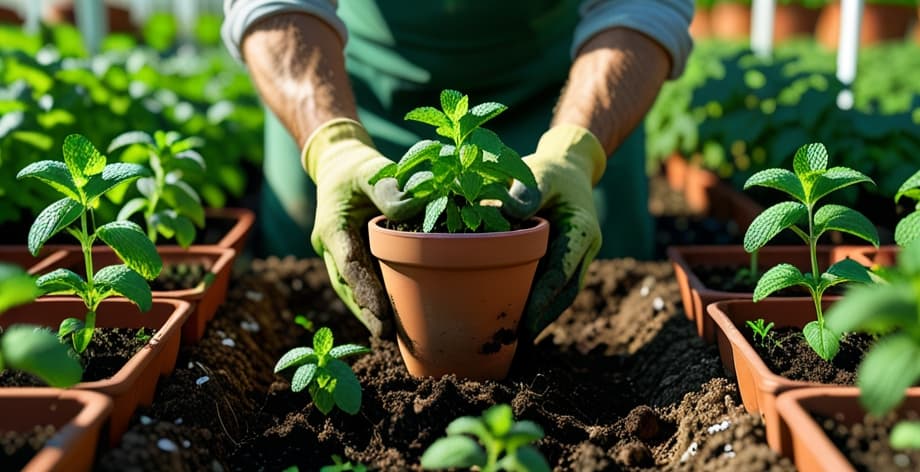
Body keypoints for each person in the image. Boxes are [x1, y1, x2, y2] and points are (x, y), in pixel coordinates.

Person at [222, 0, 693, 339]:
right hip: (341, 84)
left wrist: (576, 151)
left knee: (605, 285)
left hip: (569, 86)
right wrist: (334, 147)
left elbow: (642, 6)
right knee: (304, 294)